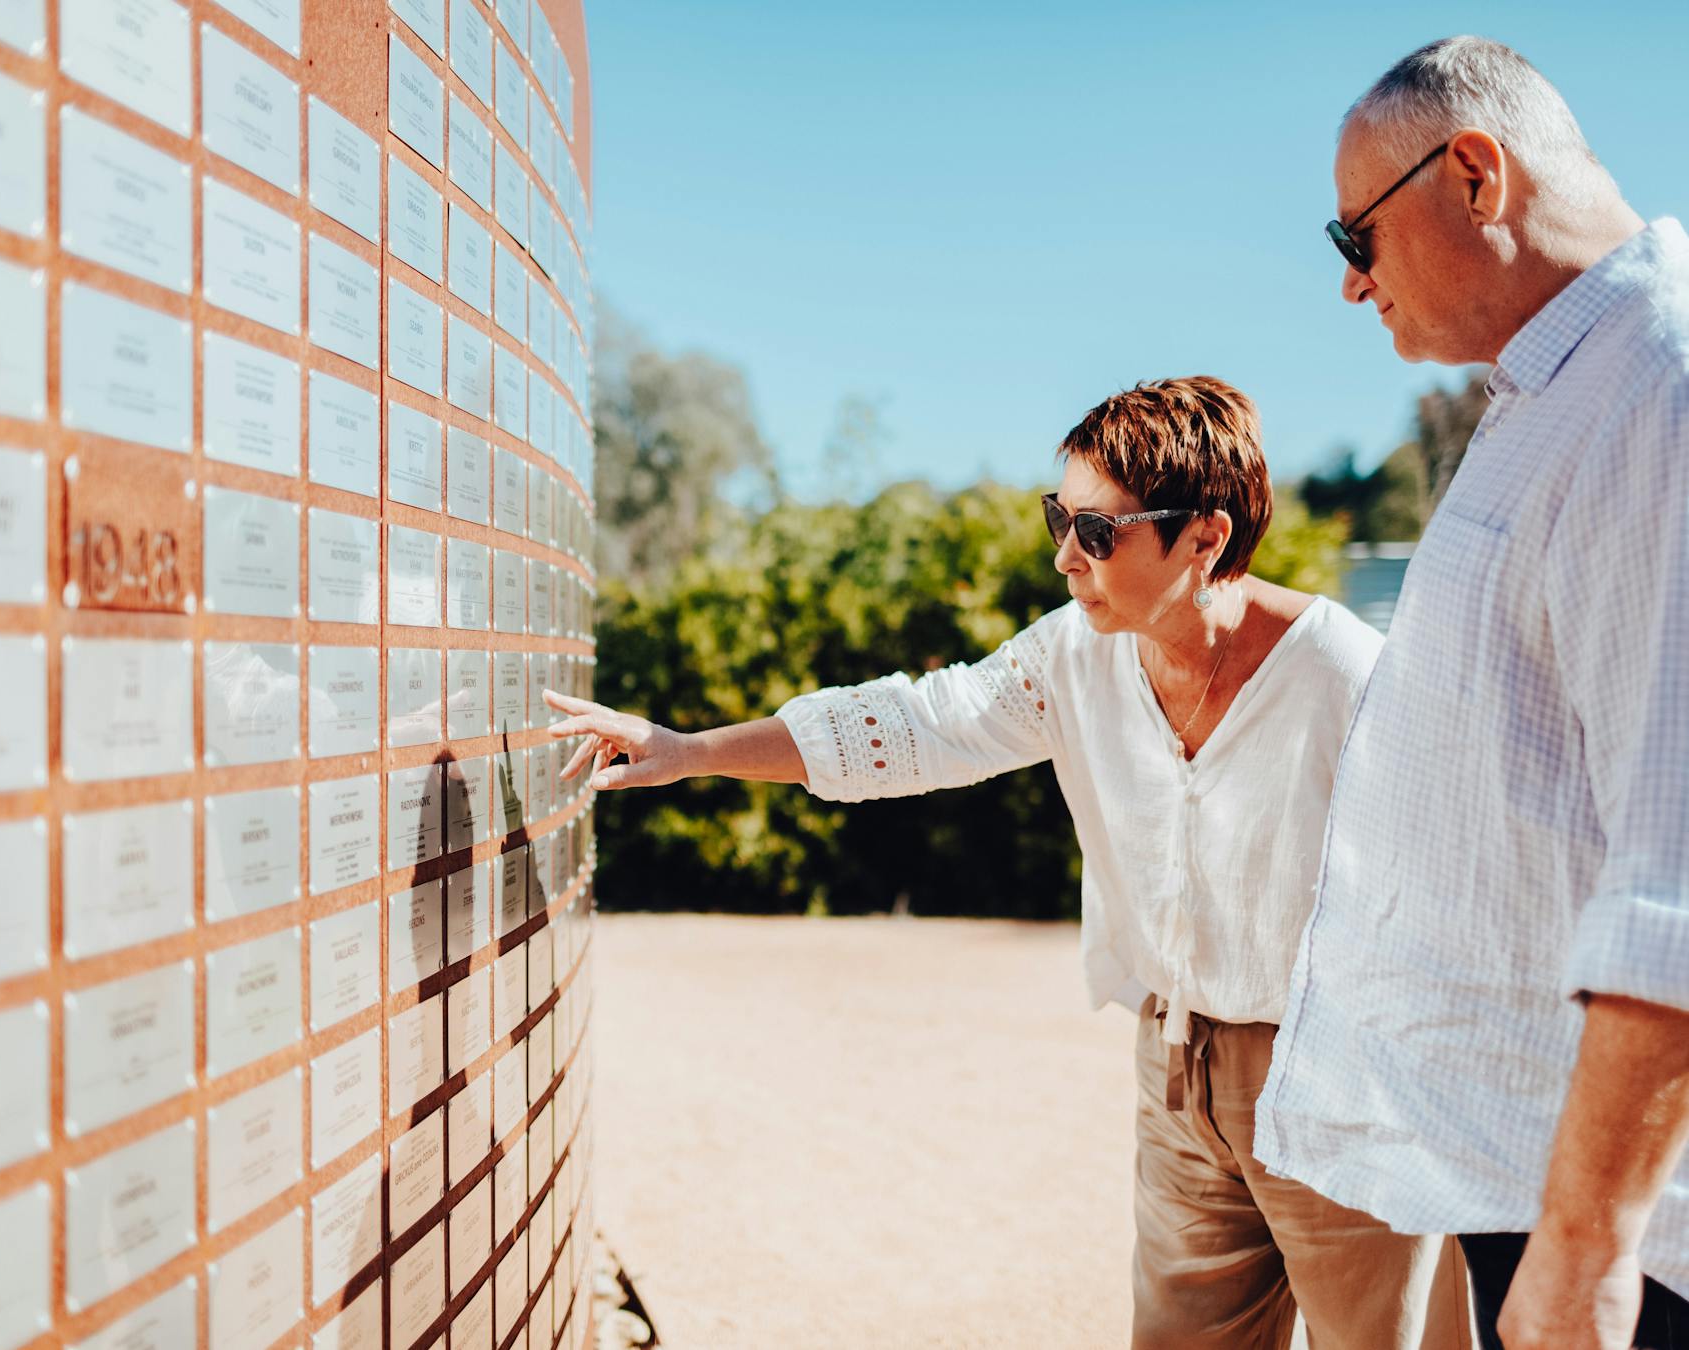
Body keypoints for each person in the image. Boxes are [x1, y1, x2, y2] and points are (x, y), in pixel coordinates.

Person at [545, 376, 1471, 1348]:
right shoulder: (1077, 654)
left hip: (1343, 1076)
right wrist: (692, 751)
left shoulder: (1350, 678)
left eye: (1099, 532)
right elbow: (920, 723)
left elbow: (1459, 888)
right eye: (1057, 518)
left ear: (1207, 535)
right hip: (1177, 1061)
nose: (1068, 556)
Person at [1253, 36, 1689, 1350]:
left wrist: (1584, 1250)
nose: (1348, 284)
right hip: (1546, 1182)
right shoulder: (1572, 389)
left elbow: (1675, 871)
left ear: (1478, 176)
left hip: (1630, 1243)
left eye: (1355, 235)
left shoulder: (1655, 390)